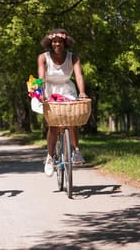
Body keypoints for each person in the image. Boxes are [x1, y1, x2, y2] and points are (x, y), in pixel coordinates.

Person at [37, 28, 88, 177]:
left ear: (65, 42)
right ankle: (50, 158)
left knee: (73, 121)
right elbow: (42, 77)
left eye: (60, 41)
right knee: (53, 126)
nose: (57, 44)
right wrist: (41, 93)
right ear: (50, 43)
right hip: (49, 90)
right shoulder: (43, 57)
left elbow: (78, 75)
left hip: (67, 90)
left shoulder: (73, 57)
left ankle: (76, 150)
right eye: (54, 41)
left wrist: (82, 92)